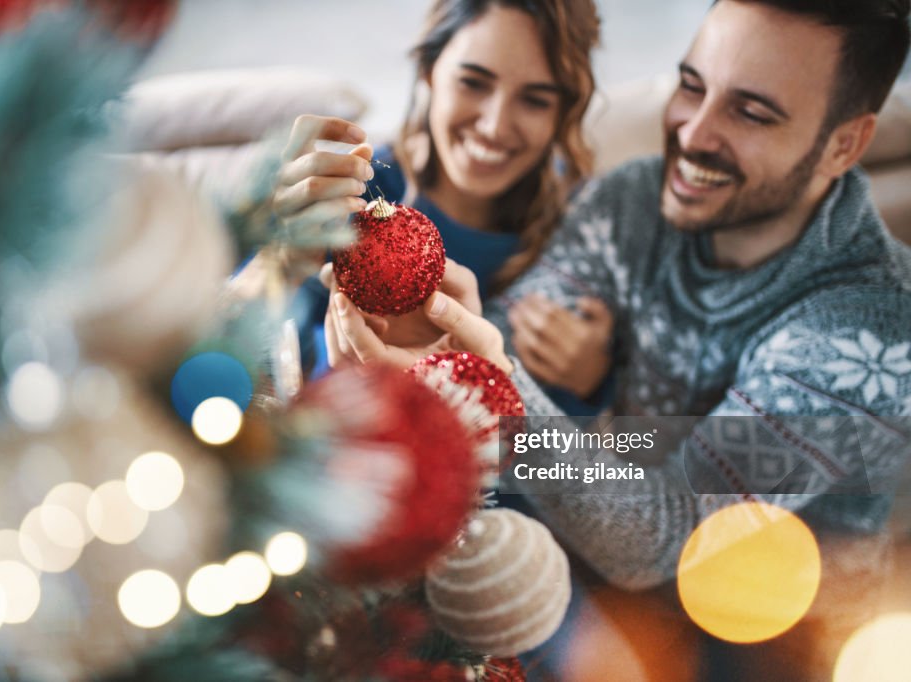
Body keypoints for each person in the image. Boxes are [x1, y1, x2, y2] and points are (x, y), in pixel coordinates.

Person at [326, 0, 911, 675]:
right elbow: (505, 340)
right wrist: (381, 315)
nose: (692, 134)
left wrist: (498, 387)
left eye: (751, 112)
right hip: (573, 582)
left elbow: (663, 540)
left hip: (765, 653)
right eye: (691, 86)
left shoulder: (872, 329)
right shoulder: (633, 199)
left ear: (846, 144)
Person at [273, 0, 614, 413]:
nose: (493, 126)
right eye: (473, 82)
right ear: (429, 70)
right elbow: (241, 359)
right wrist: (276, 263)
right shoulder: (353, 188)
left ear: (563, 112)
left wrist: (596, 380)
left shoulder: (585, 224)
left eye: (535, 100)